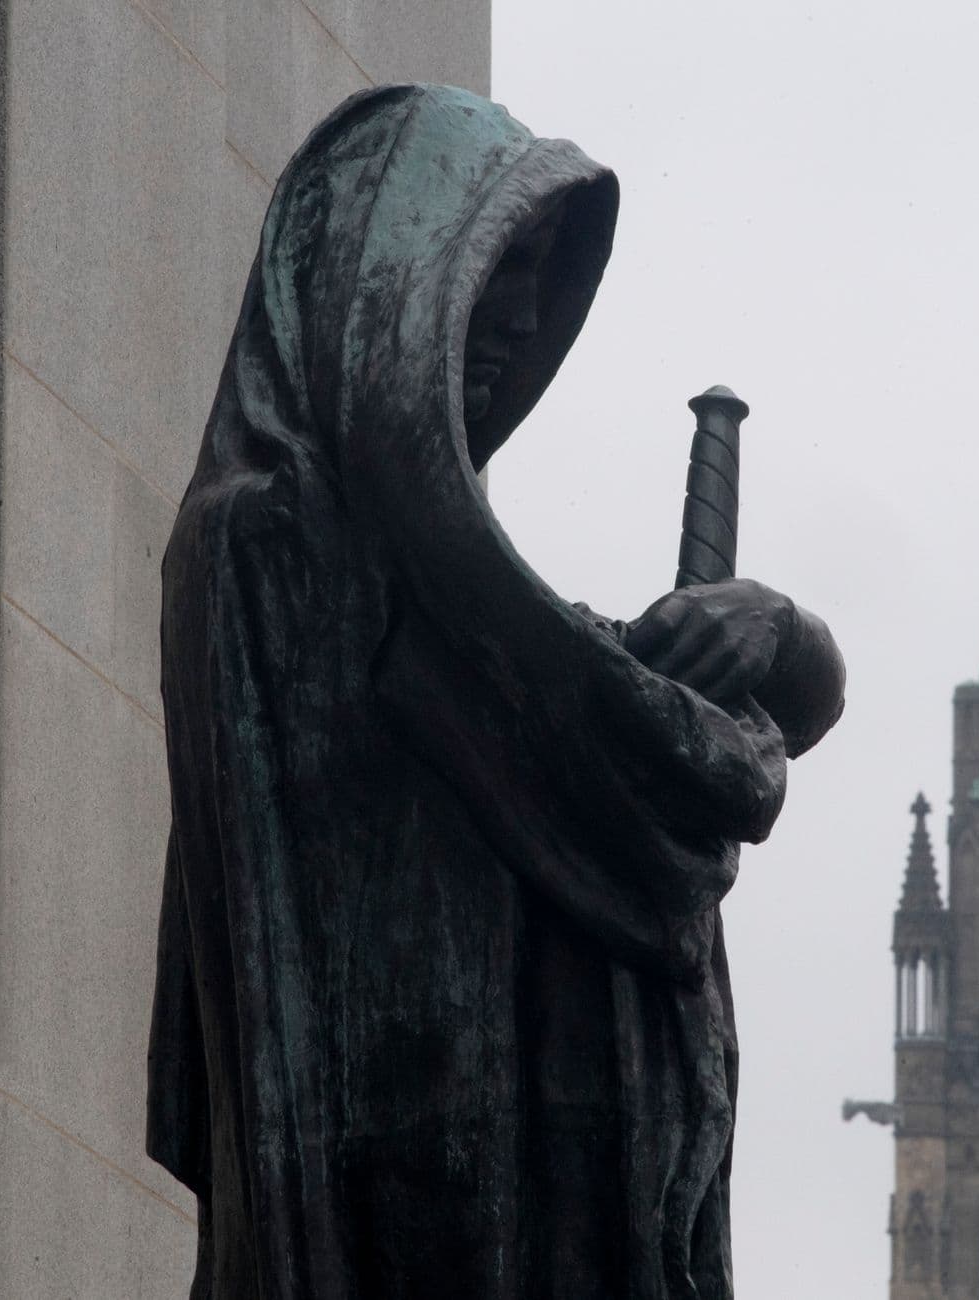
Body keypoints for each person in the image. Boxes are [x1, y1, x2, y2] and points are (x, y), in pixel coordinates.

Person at [145, 84, 844, 1300]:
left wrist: (776, 633)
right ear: (385, 275)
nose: (521, 316)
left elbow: (713, 718)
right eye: (496, 267)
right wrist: (722, 704)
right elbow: (658, 776)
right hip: (429, 1224)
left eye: (539, 277)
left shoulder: (435, 591)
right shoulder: (281, 541)